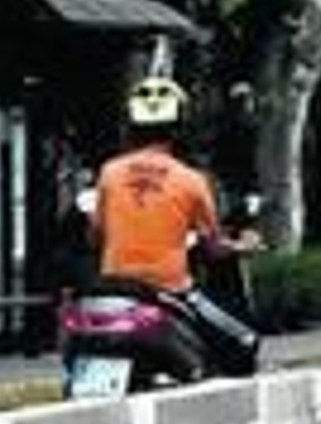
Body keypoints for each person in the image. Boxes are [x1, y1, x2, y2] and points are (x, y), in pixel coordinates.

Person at [92, 76, 260, 375]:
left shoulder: (109, 173)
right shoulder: (191, 180)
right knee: (245, 340)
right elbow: (214, 248)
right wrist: (244, 246)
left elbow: (95, 235)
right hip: (170, 292)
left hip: (112, 289)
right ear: (179, 125)